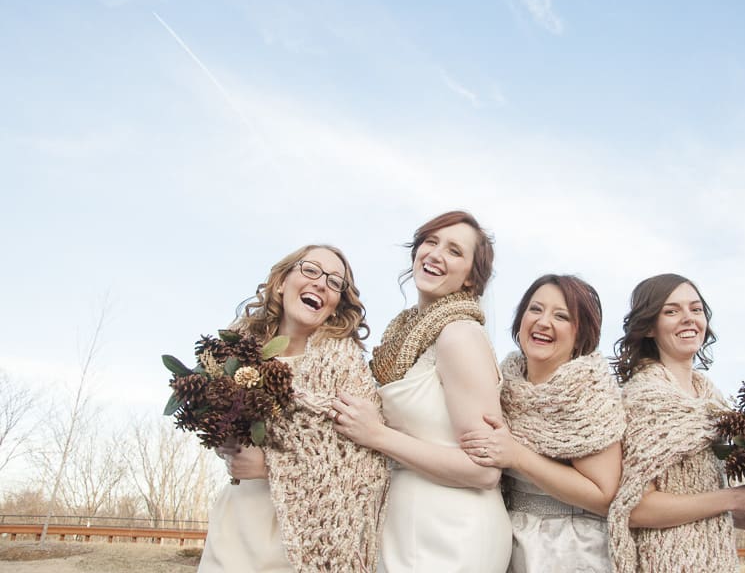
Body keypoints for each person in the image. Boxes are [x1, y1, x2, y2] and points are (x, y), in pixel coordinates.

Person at [330, 211, 512, 573]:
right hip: (407, 522)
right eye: (431, 241)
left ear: (470, 281)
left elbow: (484, 471)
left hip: (452, 534)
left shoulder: (459, 335)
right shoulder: (404, 335)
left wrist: (376, 435)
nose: (435, 254)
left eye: (455, 251)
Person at [198, 244, 387, 573]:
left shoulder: (347, 370)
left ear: (336, 304)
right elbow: (216, 422)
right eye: (311, 270)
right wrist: (224, 445)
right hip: (236, 527)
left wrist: (269, 465)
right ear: (282, 282)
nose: (320, 283)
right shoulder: (237, 352)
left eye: (334, 282)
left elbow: (362, 469)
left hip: (305, 540)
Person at [607, 274, 745, 573]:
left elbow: (699, 501)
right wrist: (735, 498)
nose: (688, 319)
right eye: (671, 311)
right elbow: (636, 508)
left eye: (696, 309)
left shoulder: (713, 400)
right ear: (650, 326)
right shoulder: (645, 399)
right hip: (665, 562)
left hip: (717, 559)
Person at [459, 274, 625, 573]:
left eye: (561, 316)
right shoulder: (503, 383)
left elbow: (604, 496)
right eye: (535, 309)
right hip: (504, 539)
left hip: (570, 548)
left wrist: (518, 457)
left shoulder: (588, 394)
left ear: (581, 333)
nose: (543, 321)